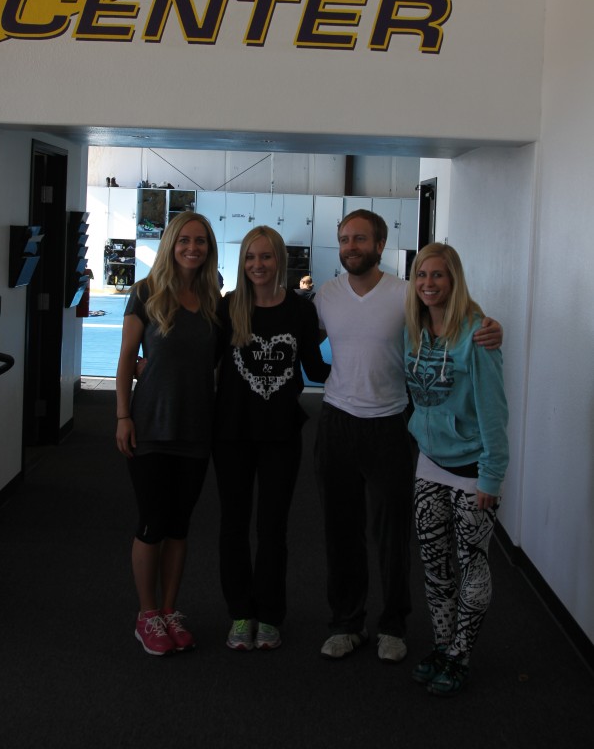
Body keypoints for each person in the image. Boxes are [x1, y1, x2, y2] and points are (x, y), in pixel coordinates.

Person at [313, 209, 502, 664]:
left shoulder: (405, 295)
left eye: (360, 239)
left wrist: (489, 327)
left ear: (380, 245)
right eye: (344, 239)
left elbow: (449, 319)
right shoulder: (325, 295)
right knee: (341, 532)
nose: (350, 246)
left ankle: (393, 625)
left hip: (390, 425)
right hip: (336, 422)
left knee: (392, 534)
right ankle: (346, 623)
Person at [212, 226, 330, 651]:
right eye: (250, 258)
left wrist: (381, 365)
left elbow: (317, 370)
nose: (257, 265)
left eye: (265, 257)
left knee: (273, 528)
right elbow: (201, 361)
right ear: (242, 263)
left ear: (279, 260)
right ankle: (241, 612)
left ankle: (270, 614)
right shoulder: (229, 308)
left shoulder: (299, 311)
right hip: (232, 435)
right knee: (234, 525)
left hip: (281, 435)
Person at [404, 243, 509, 697]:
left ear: (454, 280)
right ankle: (443, 645)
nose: (428, 283)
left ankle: (462, 654)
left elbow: (493, 411)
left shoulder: (476, 334)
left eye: (438, 275)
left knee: (472, 564)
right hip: (429, 463)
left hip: (471, 470)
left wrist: (492, 475)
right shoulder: (412, 329)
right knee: (434, 565)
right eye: (421, 275)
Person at [115, 210, 222, 656]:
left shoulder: (214, 298)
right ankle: (146, 614)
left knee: (180, 525)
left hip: (196, 429)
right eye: (184, 241)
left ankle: (170, 610)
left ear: (209, 248)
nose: (192, 248)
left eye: (200, 242)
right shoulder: (145, 293)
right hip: (152, 426)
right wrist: (123, 416)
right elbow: (125, 361)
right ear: (171, 245)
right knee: (152, 522)